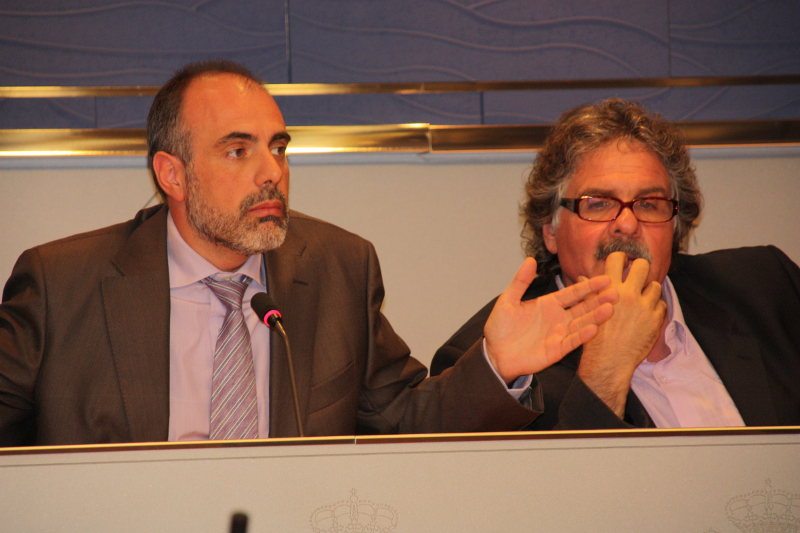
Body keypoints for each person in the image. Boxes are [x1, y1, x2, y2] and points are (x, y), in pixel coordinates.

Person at [0, 60, 617, 447]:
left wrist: (498, 365)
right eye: (238, 151)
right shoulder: (61, 286)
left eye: (278, 147)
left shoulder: (338, 269)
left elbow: (405, 422)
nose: (272, 171)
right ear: (173, 174)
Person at [432, 98, 800, 430]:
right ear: (551, 231)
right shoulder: (497, 368)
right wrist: (606, 369)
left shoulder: (768, 287)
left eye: (648, 204)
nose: (627, 223)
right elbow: (547, 485)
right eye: (598, 204)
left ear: (674, 227)